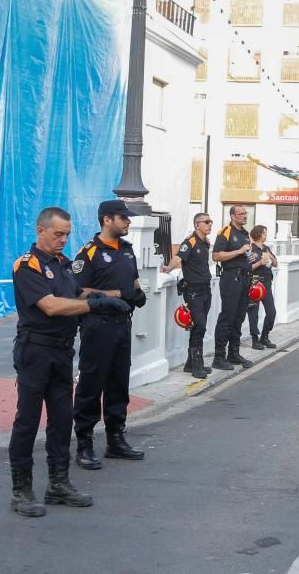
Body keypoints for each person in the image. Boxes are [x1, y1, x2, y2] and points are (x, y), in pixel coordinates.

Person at [8, 207, 130, 518]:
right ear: (41, 231)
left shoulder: (63, 265)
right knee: (28, 421)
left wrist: (102, 298)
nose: (63, 240)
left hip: (62, 352)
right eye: (57, 234)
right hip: (35, 352)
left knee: (62, 420)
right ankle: (21, 490)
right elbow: (50, 306)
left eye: (66, 234)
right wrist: (94, 307)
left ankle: (58, 483)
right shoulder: (28, 265)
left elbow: (79, 292)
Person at [71, 200, 148, 471]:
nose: (128, 222)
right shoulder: (89, 253)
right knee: (92, 382)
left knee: (118, 382)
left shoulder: (127, 251)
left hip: (121, 324)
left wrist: (138, 293)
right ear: (106, 220)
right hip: (97, 324)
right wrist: (117, 294)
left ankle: (116, 438)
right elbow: (78, 292)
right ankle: (84, 442)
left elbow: (134, 283)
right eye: (122, 218)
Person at [161, 213, 214, 378]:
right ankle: (196, 364)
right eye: (206, 222)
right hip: (193, 291)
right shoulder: (190, 241)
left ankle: (191, 364)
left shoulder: (205, 243)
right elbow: (178, 258)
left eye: (210, 222)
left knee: (198, 327)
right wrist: (168, 269)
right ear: (198, 225)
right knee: (200, 325)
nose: (210, 224)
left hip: (205, 289)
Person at [211, 205, 256, 370]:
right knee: (228, 317)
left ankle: (234, 353)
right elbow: (216, 255)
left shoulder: (245, 233)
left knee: (239, 317)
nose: (245, 216)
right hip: (231, 277)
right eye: (241, 214)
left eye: (245, 213)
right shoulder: (225, 231)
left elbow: (244, 254)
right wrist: (238, 251)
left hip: (245, 277)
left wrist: (250, 257)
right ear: (232, 216)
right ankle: (219, 356)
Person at [246, 225, 278, 351]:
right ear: (258, 234)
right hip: (255, 282)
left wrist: (270, 256)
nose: (266, 235)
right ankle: (255, 339)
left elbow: (276, 264)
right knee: (253, 311)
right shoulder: (251, 249)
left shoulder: (266, 249)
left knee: (271, 312)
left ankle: (265, 336)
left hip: (267, 283)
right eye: (264, 233)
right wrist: (260, 263)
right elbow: (248, 267)